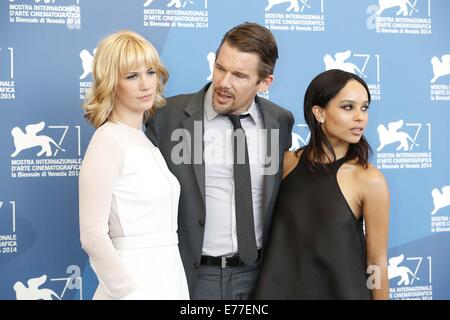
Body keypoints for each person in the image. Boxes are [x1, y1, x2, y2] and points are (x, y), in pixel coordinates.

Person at [146, 22, 294, 299]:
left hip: (259, 278)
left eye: (239, 75)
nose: (224, 82)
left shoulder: (280, 121)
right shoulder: (167, 117)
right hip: (194, 276)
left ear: (264, 83)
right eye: (220, 68)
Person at [254, 69, 390, 300]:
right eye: (348, 107)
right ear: (319, 113)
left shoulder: (369, 180)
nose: (360, 117)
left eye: (364, 107)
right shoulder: (286, 162)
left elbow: (376, 262)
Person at [78, 30, 189, 300]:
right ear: (111, 83)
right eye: (132, 76)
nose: (146, 84)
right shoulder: (108, 141)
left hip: (169, 276)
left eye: (150, 72)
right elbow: (92, 235)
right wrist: (127, 291)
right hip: (134, 282)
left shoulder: (144, 140)